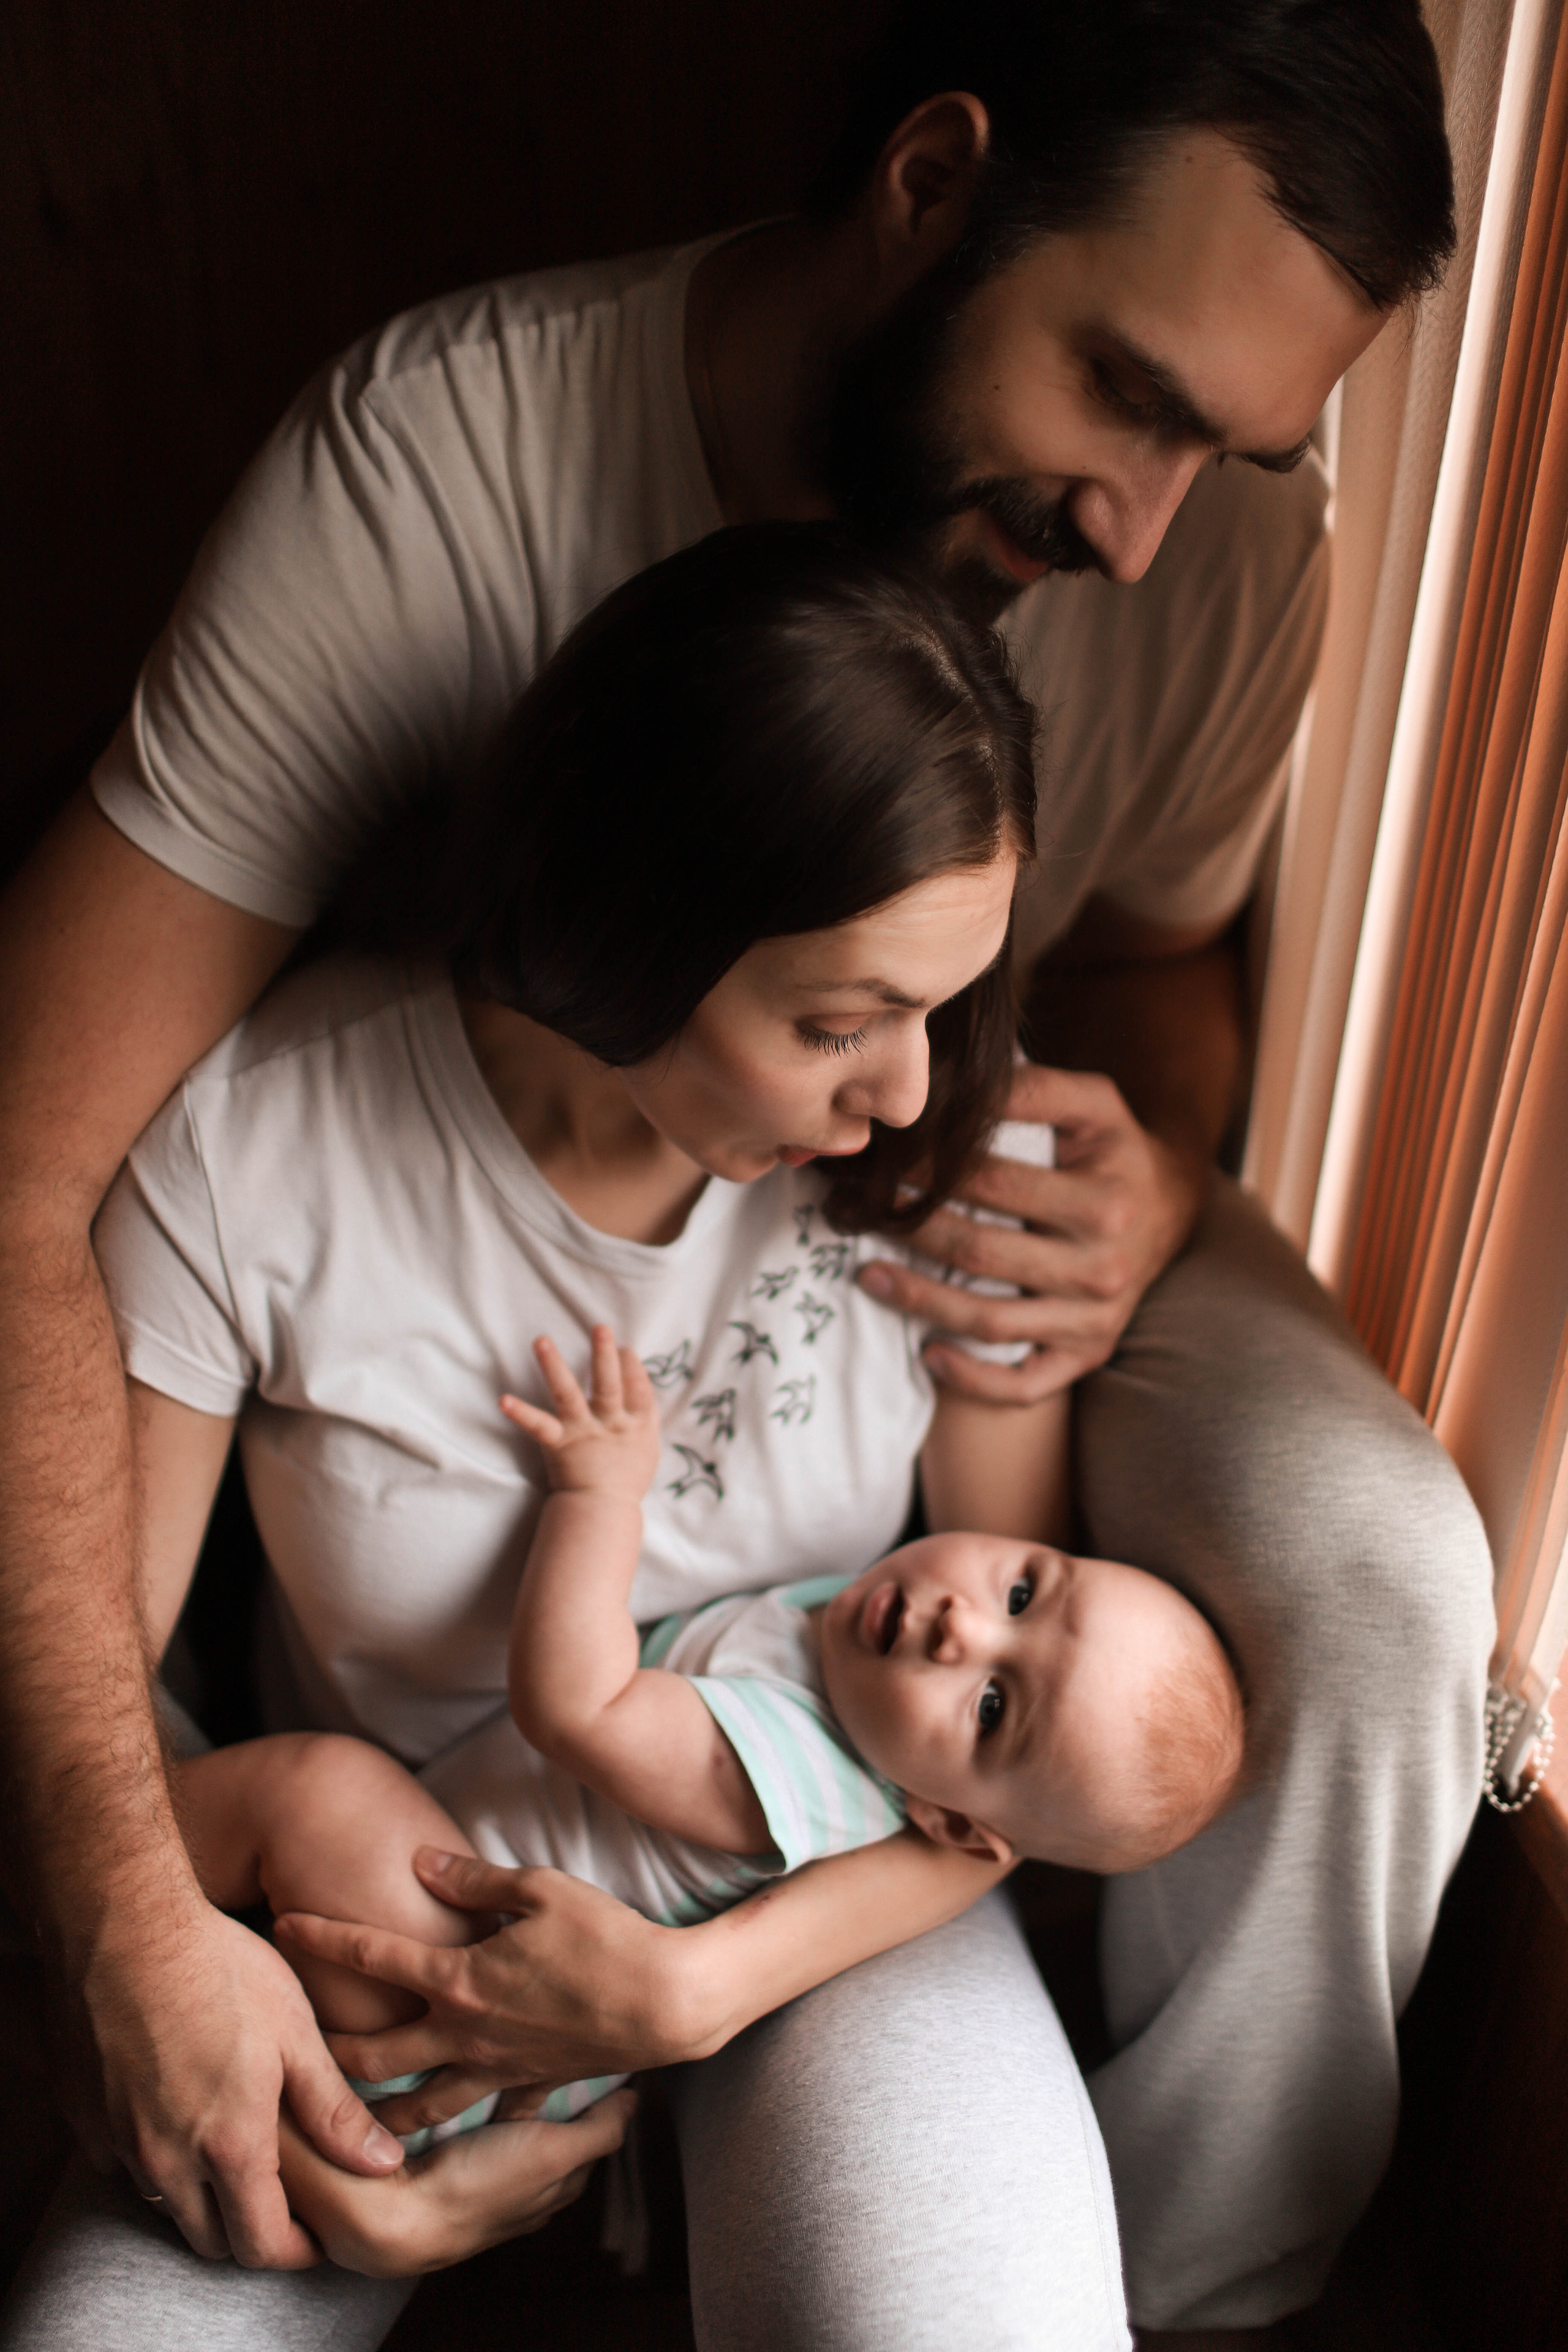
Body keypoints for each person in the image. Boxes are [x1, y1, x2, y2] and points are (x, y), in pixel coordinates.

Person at [0, 3, 1493, 2344]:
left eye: (1239, 446)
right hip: (423, 1832)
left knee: (1384, 1580)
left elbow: (1160, 983)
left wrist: (1156, 1162)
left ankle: (1216, 2291)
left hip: (829, 1821)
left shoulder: (935, 1118)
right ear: (931, 185)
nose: (1148, 532)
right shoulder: (440, 500)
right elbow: (42, 1177)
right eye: (1127, 393)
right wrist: (136, 1925)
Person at [153, 1319, 1243, 2243]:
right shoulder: (849, 1645)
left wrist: (600, 1493)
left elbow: (576, 1705)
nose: (963, 1627)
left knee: (317, 1790)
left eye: (995, 1708)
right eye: (1024, 1593)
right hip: (455, 1952)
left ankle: (121, 1876)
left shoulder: (795, 1774)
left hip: (454, 2001)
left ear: (948, 1821)